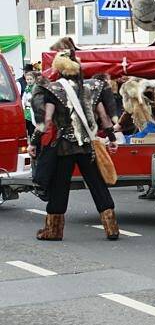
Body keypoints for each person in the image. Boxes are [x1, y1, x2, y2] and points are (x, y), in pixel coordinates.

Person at [27, 50, 120, 241]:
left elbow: (46, 121)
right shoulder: (90, 88)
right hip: (87, 146)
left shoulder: (54, 89)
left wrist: (33, 142)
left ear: (59, 69)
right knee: (97, 185)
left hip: (65, 147)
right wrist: (112, 138)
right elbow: (103, 116)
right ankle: (111, 228)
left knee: (60, 187)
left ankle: (53, 230)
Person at [21, 71, 38, 139]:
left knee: (32, 129)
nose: (29, 81)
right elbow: (23, 98)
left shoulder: (36, 88)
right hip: (27, 112)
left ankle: (34, 143)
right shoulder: (27, 88)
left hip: (33, 111)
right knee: (27, 128)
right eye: (27, 79)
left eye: (31, 79)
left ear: (34, 79)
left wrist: (32, 100)